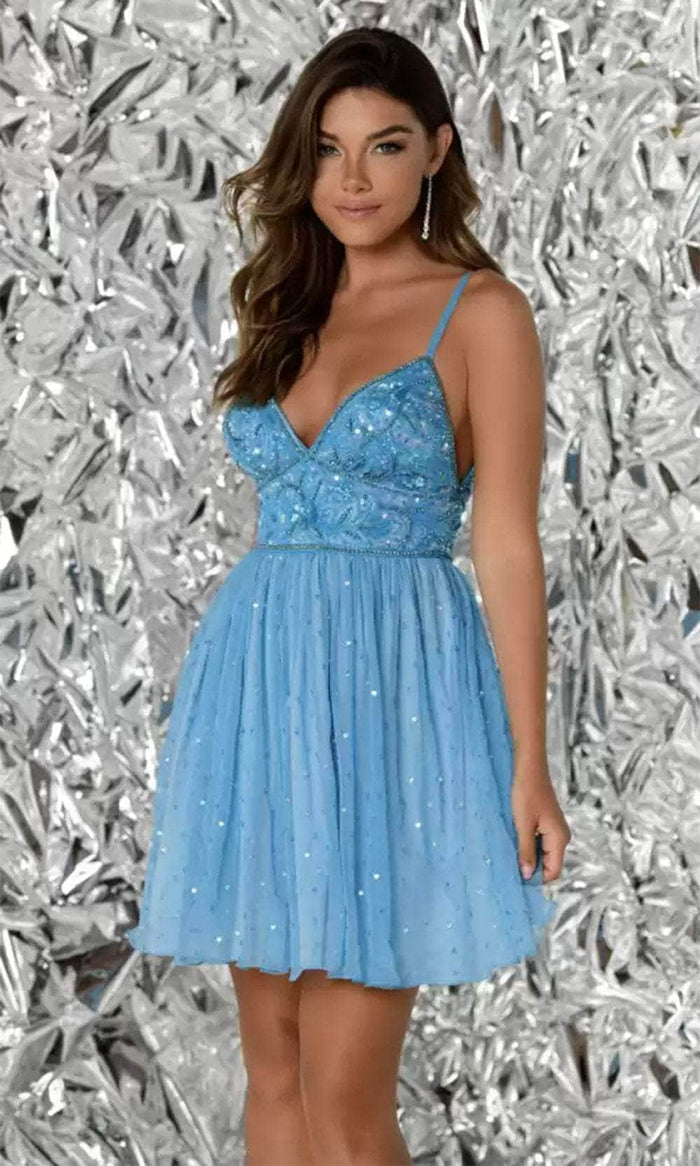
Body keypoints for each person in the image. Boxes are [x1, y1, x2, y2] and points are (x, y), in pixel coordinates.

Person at [126, 25, 572, 1166]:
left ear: (437, 150)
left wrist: (529, 761)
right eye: (328, 150)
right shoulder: (286, 304)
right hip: (260, 689)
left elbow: (507, 544)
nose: (354, 178)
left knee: (344, 1094)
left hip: (393, 699)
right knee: (272, 1068)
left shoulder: (481, 311)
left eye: (384, 146)